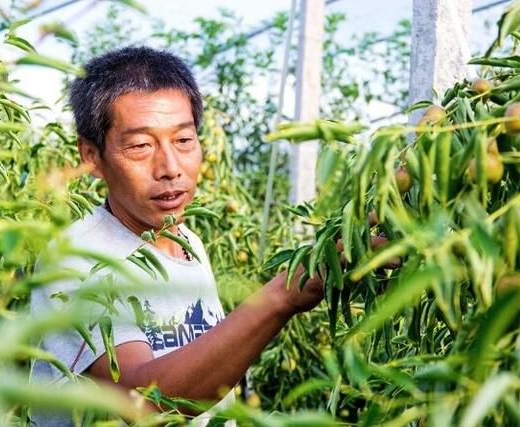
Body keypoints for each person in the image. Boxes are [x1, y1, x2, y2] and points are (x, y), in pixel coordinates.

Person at [30, 46, 389, 426]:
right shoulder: (75, 258)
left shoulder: (187, 242)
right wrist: (282, 295)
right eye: (140, 146)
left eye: (184, 140)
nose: (170, 168)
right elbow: (146, 404)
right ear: (91, 156)